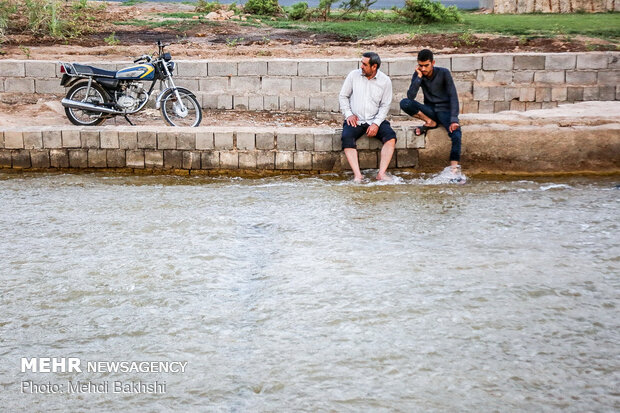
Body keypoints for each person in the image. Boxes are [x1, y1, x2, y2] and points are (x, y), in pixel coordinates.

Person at [400, 49, 462, 174]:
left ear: (433, 62)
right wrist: (418, 78)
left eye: (426, 65)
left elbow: (453, 96)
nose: (423, 69)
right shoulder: (419, 74)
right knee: (404, 103)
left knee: (456, 135)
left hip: (445, 111)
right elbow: (411, 96)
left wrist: (454, 119)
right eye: (420, 66)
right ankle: (430, 122)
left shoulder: (444, 73)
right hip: (430, 111)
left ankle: (454, 169)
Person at [339, 52, 397, 182]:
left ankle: (381, 174)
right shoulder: (353, 75)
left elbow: (385, 105)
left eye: (365, 64)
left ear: (374, 66)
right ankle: (358, 175)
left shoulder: (385, 81)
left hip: (375, 119)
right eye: (361, 63)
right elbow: (343, 96)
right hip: (356, 120)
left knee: (391, 137)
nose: (361, 66)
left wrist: (376, 123)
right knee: (346, 138)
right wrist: (348, 114)